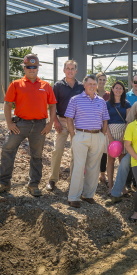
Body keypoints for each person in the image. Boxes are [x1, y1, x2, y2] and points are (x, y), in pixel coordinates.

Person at [0, 54, 56, 197]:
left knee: (37, 156)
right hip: (20, 124)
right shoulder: (15, 84)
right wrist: (9, 123)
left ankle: (33, 185)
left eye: (34, 67)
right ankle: (4, 183)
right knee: (8, 149)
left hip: (39, 126)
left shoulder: (46, 86)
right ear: (24, 68)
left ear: (38, 68)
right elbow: (7, 104)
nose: (32, 69)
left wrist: (50, 124)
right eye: (29, 67)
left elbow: (52, 106)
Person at [65, 75, 110, 208]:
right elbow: (69, 119)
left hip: (97, 136)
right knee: (79, 167)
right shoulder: (75, 100)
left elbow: (105, 119)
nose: (92, 86)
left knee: (93, 167)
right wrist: (74, 136)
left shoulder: (101, 101)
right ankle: (74, 197)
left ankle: (88, 194)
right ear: (84, 85)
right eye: (89, 83)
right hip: (81, 135)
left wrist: (102, 135)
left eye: (94, 84)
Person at [47, 60, 85, 191]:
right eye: (67, 68)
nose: (70, 70)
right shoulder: (57, 85)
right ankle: (52, 179)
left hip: (77, 122)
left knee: (76, 152)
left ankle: (72, 180)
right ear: (64, 70)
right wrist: (55, 121)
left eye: (72, 68)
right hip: (62, 121)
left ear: (76, 71)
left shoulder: (81, 86)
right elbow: (52, 105)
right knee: (57, 150)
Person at [106, 81, 131, 193]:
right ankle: (111, 186)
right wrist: (110, 137)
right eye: (116, 88)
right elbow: (104, 121)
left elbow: (129, 121)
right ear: (112, 89)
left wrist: (122, 137)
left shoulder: (127, 104)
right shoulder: (107, 104)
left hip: (123, 133)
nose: (118, 90)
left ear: (123, 91)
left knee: (122, 162)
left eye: (121, 88)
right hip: (110, 132)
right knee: (110, 161)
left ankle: (122, 186)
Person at [95, 72, 110, 185]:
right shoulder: (91, 92)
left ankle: (102, 174)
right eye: (100, 79)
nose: (102, 82)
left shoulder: (109, 95)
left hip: (104, 125)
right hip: (92, 124)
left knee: (103, 150)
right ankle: (91, 173)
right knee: (92, 149)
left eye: (104, 80)